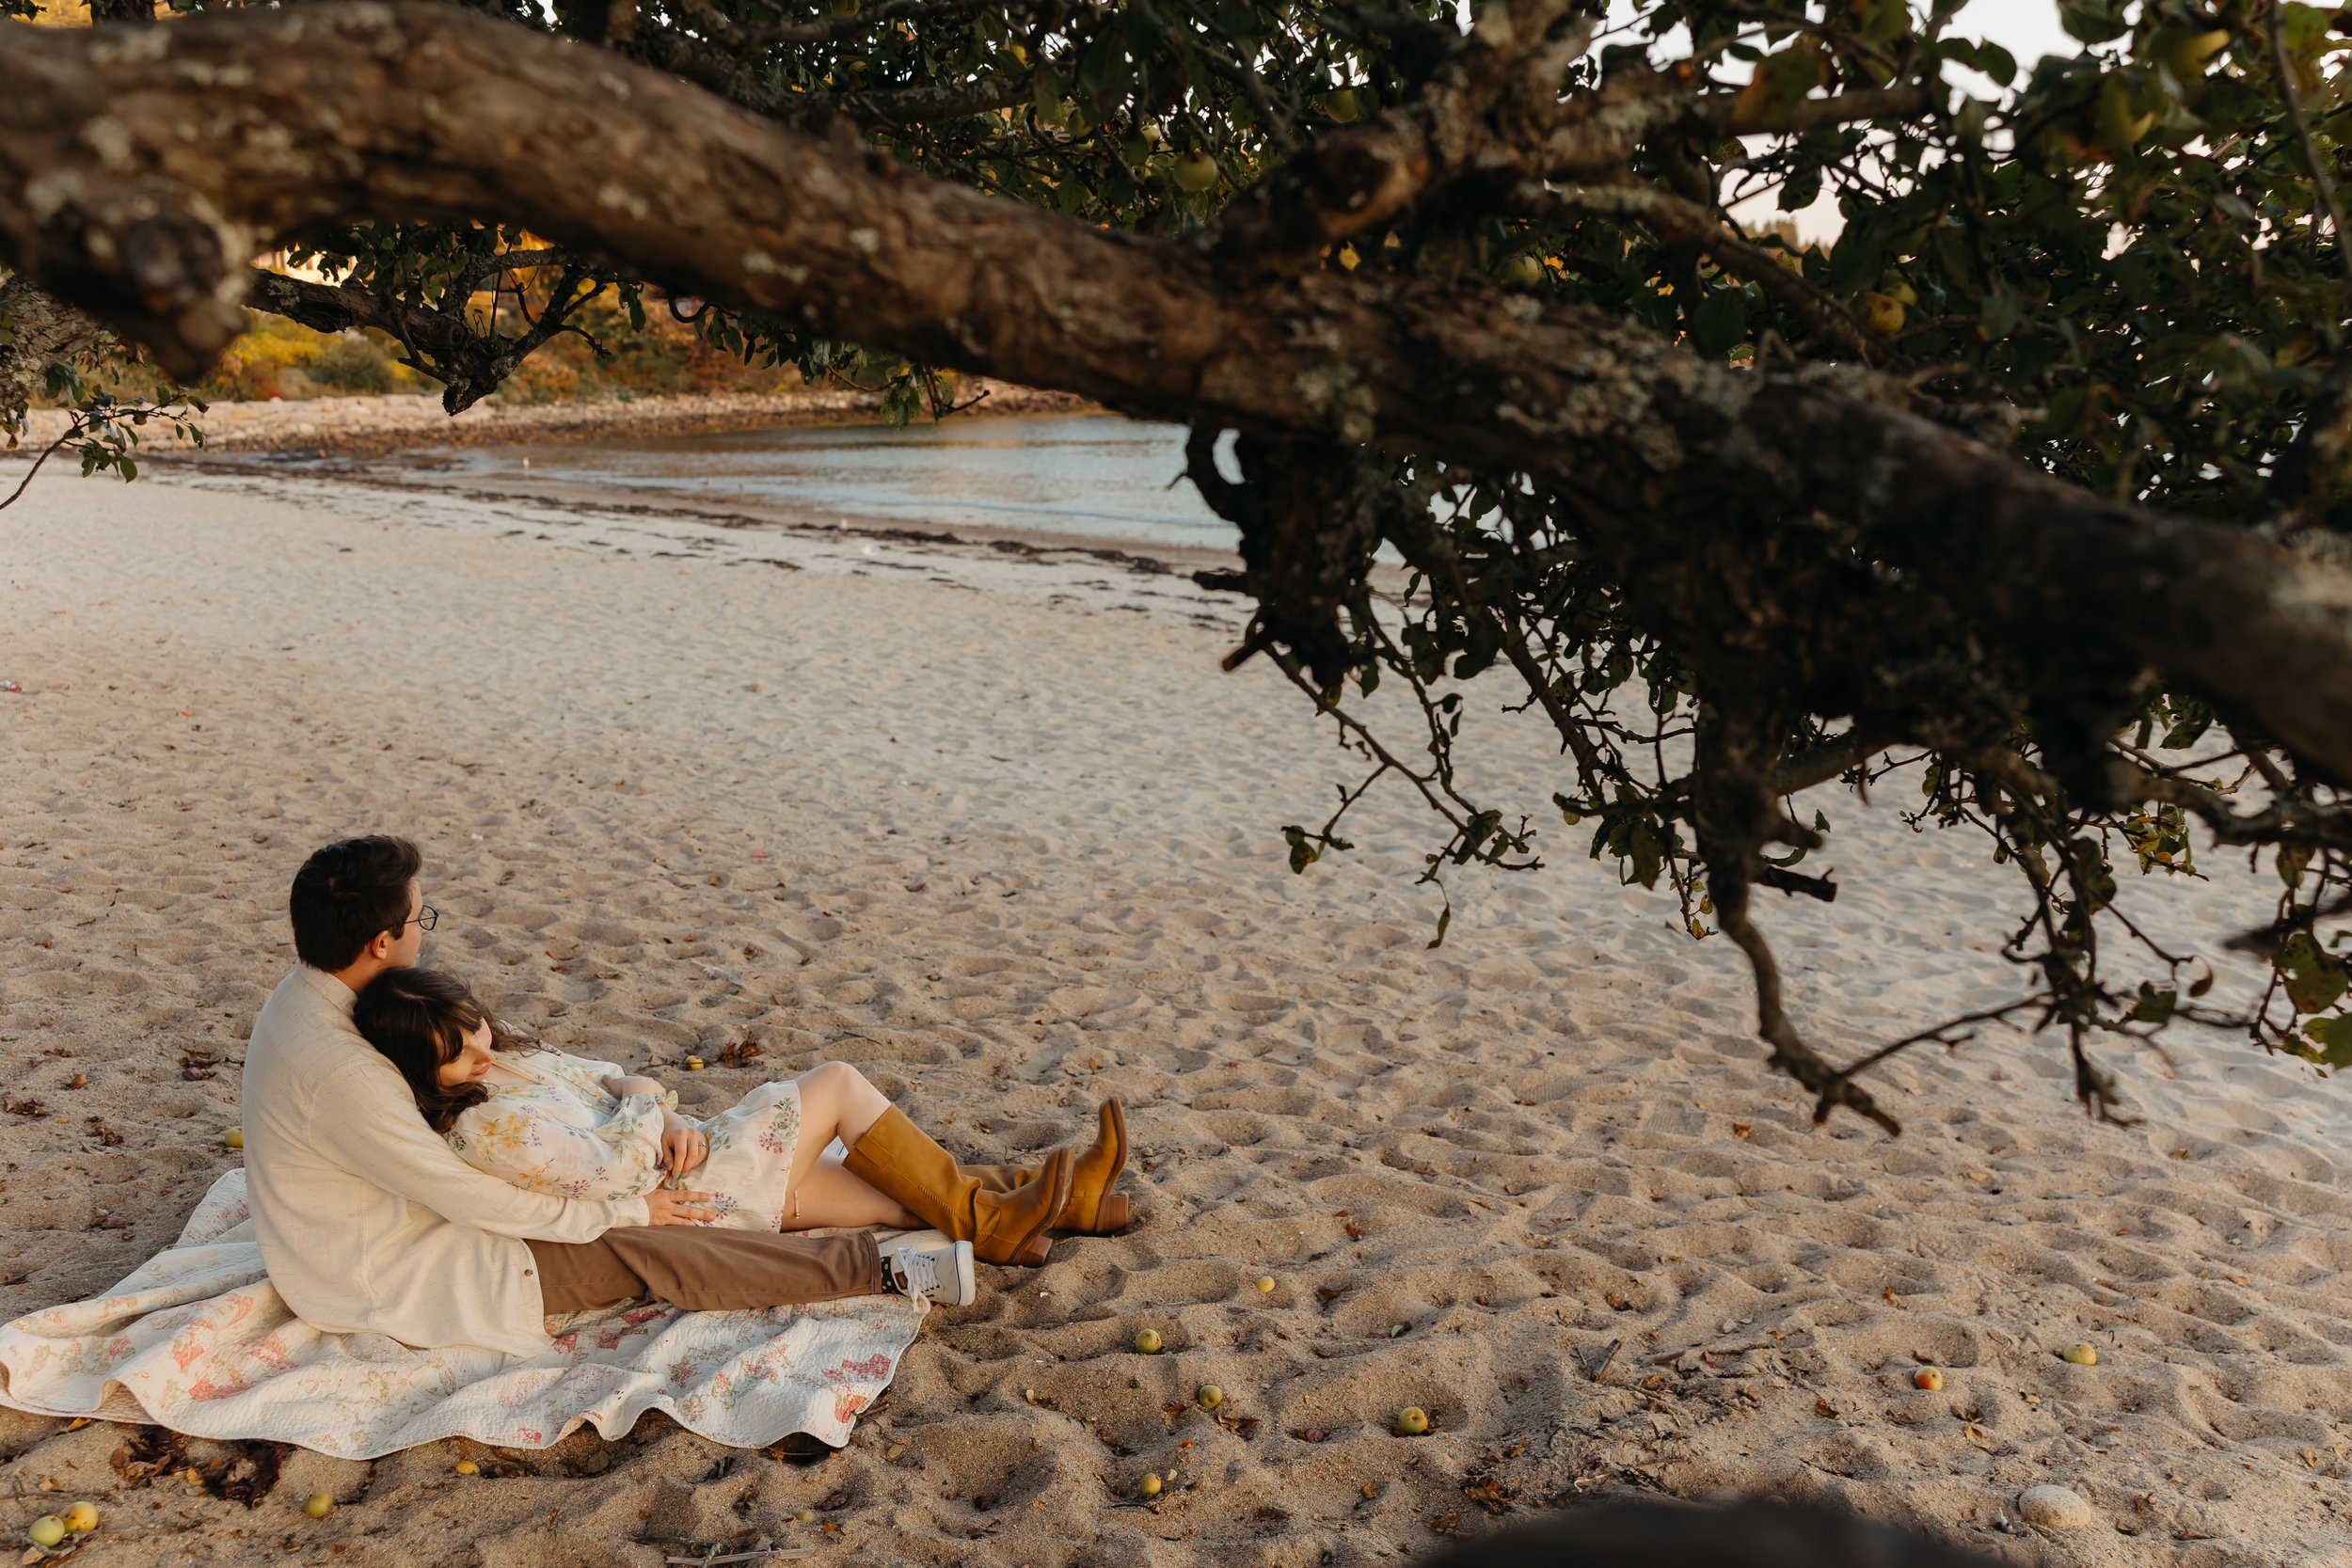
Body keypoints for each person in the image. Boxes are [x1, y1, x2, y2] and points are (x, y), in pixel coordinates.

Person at [241, 837, 1091, 1354]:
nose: (428, 931)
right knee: (656, 1246)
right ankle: (892, 1262)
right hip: (396, 1259)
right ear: (382, 940)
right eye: (424, 920)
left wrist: (644, 1099)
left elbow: (537, 1079)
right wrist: (631, 1211)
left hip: (457, 1193)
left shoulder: (335, 994)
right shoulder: (342, 1068)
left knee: (764, 1188)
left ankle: (1015, 1205)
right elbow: (459, 1189)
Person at [349, 966, 1133, 1259]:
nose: (481, 1052)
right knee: (836, 1084)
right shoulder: (483, 1122)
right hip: (691, 1191)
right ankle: (1004, 1224)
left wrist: (652, 1102)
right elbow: (615, 1164)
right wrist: (654, 1105)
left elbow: (611, 1077)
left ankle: (1076, 1203)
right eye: (457, 1053)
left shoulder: (507, 1060)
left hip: (693, 1158)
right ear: (426, 1072)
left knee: (905, 1196)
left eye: (473, 1026)